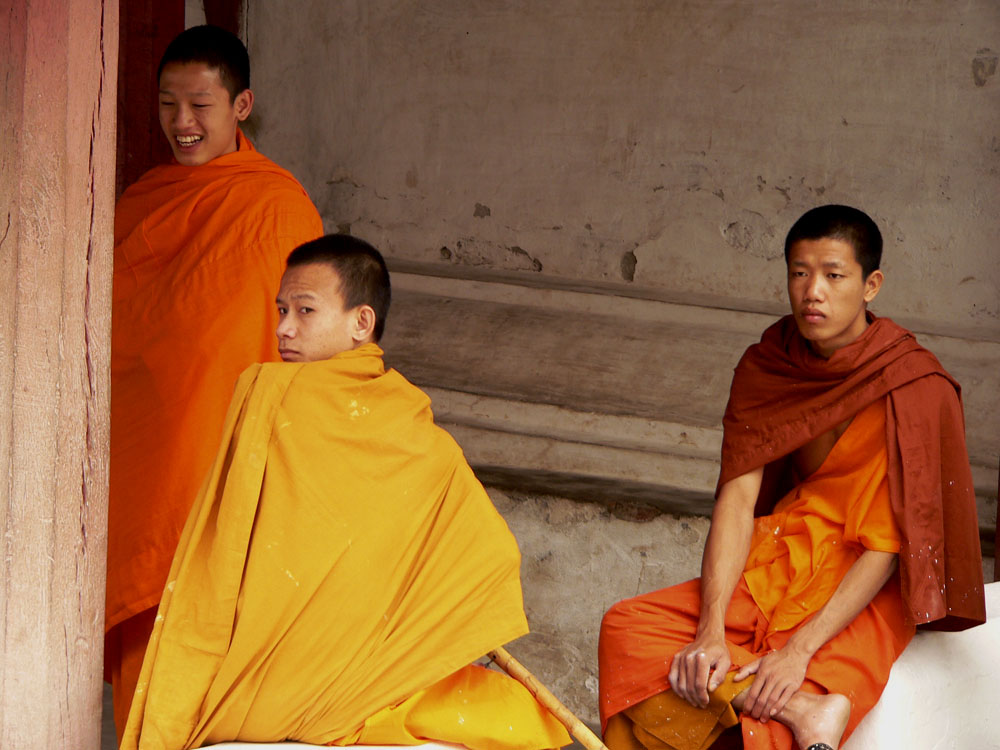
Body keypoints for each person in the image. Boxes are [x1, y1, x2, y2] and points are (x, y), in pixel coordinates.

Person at [118, 235, 572, 750]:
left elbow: (219, 568)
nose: (284, 328)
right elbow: (489, 558)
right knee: (510, 716)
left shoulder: (293, 397)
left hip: (270, 691)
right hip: (299, 677)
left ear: (362, 322)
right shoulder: (397, 424)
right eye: (282, 309)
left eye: (305, 311)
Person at [598, 205, 986, 750]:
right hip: (782, 555)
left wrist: (799, 650)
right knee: (628, 628)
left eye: (833, 274)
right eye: (799, 273)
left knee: (777, 684)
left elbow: (890, 545)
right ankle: (804, 709)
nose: (813, 292)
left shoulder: (915, 385)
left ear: (871, 284)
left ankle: (790, 699)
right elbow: (737, 500)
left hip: (865, 582)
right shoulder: (770, 366)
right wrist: (709, 633)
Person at [107, 24, 323, 738]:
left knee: (222, 662)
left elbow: (305, 350)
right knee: (148, 651)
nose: (181, 123)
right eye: (168, 104)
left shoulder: (278, 209)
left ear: (244, 106)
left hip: (229, 467)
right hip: (145, 467)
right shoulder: (145, 199)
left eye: (200, 104)